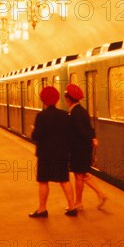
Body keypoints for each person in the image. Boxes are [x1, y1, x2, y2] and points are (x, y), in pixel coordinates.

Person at [29, 86, 78, 218]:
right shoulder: (64, 115)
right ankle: (72, 207)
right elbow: (70, 135)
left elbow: (36, 136)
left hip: (45, 154)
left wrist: (34, 129)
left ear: (43, 100)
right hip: (61, 153)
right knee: (64, 180)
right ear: (57, 100)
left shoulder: (41, 116)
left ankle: (42, 209)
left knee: (43, 181)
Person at [64, 84, 107, 210]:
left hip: (78, 149)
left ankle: (80, 202)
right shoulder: (82, 111)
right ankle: (97, 195)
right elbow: (89, 129)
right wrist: (93, 139)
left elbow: (80, 131)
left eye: (66, 98)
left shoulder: (74, 114)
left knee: (79, 176)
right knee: (82, 175)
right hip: (84, 148)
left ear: (69, 99)